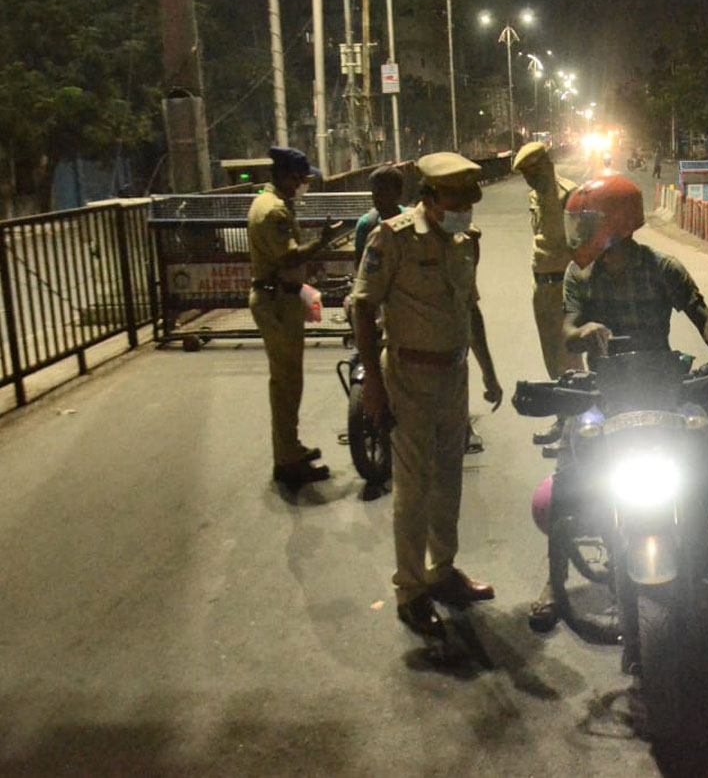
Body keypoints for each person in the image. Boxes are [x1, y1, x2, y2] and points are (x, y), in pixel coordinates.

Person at [527, 173, 708, 631]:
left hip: (663, 382)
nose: (579, 235)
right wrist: (581, 331)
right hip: (606, 389)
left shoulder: (661, 267)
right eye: (578, 225)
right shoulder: (578, 275)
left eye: (587, 224)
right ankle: (555, 579)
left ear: (619, 224)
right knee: (569, 471)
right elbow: (567, 328)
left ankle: (695, 512)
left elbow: (701, 314)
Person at [353, 151, 504, 639]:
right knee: (414, 489)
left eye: (469, 201)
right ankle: (411, 589)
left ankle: (443, 571)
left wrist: (488, 371)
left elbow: (470, 309)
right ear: (430, 198)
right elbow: (362, 306)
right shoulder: (391, 237)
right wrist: (373, 386)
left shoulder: (466, 242)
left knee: (449, 480)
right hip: (409, 377)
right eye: (457, 200)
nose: (466, 209)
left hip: (453, 376)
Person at [247, 146, 339, 492]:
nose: (303, 185)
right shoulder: (273, 212)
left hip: (279, 298)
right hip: (276, 301)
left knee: (287, 382)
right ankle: (287, 462)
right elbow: (287, 257)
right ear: (286, 177)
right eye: (301, 179)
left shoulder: (269, 203)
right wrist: (323, 242)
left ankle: (289, 446)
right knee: (286, 384)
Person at [512, 141, 584, 451]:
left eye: (534, 171)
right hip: (541, 287)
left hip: (563, 287)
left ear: (548, 164)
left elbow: (582, 245)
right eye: (526, 174)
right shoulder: (534, 197)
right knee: (552, 358)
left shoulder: (569, 195)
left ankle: (576, 429)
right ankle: (563, 416)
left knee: (569, 359)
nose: (530, 178)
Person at [353, 163, 411, 267]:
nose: (378, 197)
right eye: (375, 192)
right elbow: (360, 265)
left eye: (385, 192)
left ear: (398, 193)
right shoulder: (366, 224)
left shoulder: (411, 220)